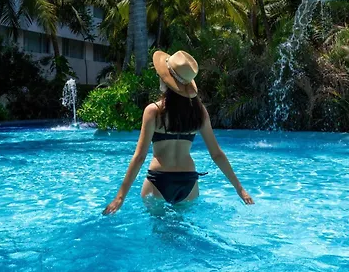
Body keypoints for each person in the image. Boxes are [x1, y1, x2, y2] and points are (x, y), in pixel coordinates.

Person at [103, 50, 254, 215]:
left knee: (159, 229)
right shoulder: (199, 112)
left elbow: (139, 157)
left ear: (165, 80)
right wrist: (240, 189)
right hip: (188, 181)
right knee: (183, 227)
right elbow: (216, 154)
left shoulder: (154, 111)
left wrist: (120, 197)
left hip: (158, 180)